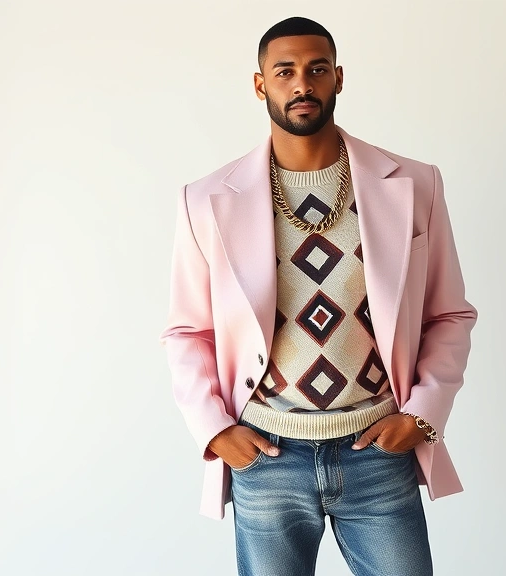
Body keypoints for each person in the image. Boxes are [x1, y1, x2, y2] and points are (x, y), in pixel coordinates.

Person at [160, 16, 477, 576]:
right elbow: (188, 331)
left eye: (317, 70)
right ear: (261, 85)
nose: (302, 84)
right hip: (266, 454)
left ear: (337, 79)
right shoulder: (206, 200)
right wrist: (214, 430)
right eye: (285, 72)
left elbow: (449, 313)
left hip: (377, 451)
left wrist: (422, 415)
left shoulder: (414, 185)